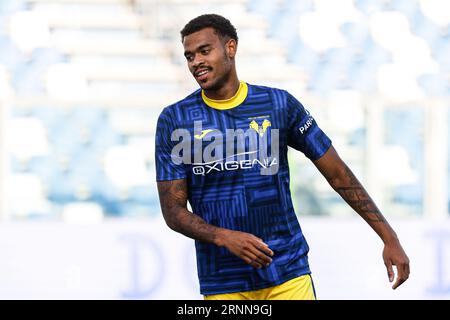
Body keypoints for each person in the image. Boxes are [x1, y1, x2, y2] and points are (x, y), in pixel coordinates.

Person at [155, 14, 410, 300]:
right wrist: (224, 237)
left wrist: (389, 237)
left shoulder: (278, 104)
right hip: (224, 282)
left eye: (204, 51)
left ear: (230, 48)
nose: (196, 62)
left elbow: (338, 174)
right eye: (189, 56)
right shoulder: (175, 119)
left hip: (287, 272)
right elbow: (173, 211)